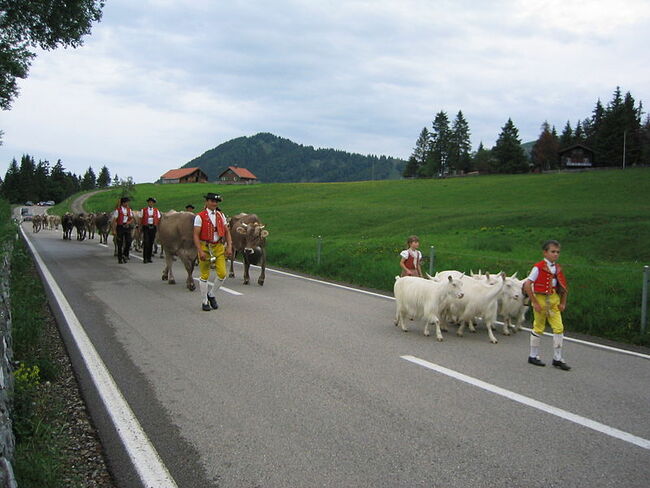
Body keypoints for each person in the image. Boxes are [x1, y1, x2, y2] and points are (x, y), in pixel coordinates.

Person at [523, 240, 571, 370]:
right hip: (541, 299)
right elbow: (528, 284)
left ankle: (557, 358)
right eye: (553, 252)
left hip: (554, 300)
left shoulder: (558, 268)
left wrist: (563, 302)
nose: (555, 254)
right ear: (545, 253)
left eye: (557, 252)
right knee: (538, 327)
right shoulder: (538, 267)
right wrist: (535, 302)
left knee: (559, 327)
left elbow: (563, 287)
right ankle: (533, 356)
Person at [193, 192, 232, 311]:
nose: (214, 203)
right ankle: (204, 301)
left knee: (222, 274)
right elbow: (195, 235)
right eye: (212, 201)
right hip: (205, 246)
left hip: (218, 247)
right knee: (205, 274)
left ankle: (212, 294)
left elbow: (227, 232)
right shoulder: (200, 216)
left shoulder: (221, 215)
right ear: (207, 202)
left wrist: (229, 246)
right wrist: (200, 250)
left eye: (216, 202)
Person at [113, 197, 134, 264]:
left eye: (128, 202)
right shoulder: (118, 210)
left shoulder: (129, 210)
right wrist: (114, 230)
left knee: (129, 241)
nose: (128, 203)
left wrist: (128, 222)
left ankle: (125, 254)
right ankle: (120, 259)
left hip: (127, 227)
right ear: (123, 203)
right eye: (127, 202)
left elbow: (131, 219)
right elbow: (114, 221)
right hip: (120, 227)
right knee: (120, 243)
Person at [141, 197, 161, 263]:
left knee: (151, 242)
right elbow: (140, 218)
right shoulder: (143, 210)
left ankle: (149, 257)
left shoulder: (156, 210)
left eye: (152, 202)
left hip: (153, 227)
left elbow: (158, 219)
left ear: (153, 203)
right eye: (150, 202)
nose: (151, 203)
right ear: (148, 203)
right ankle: (145, 258)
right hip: (146, 227)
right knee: (146, 242)